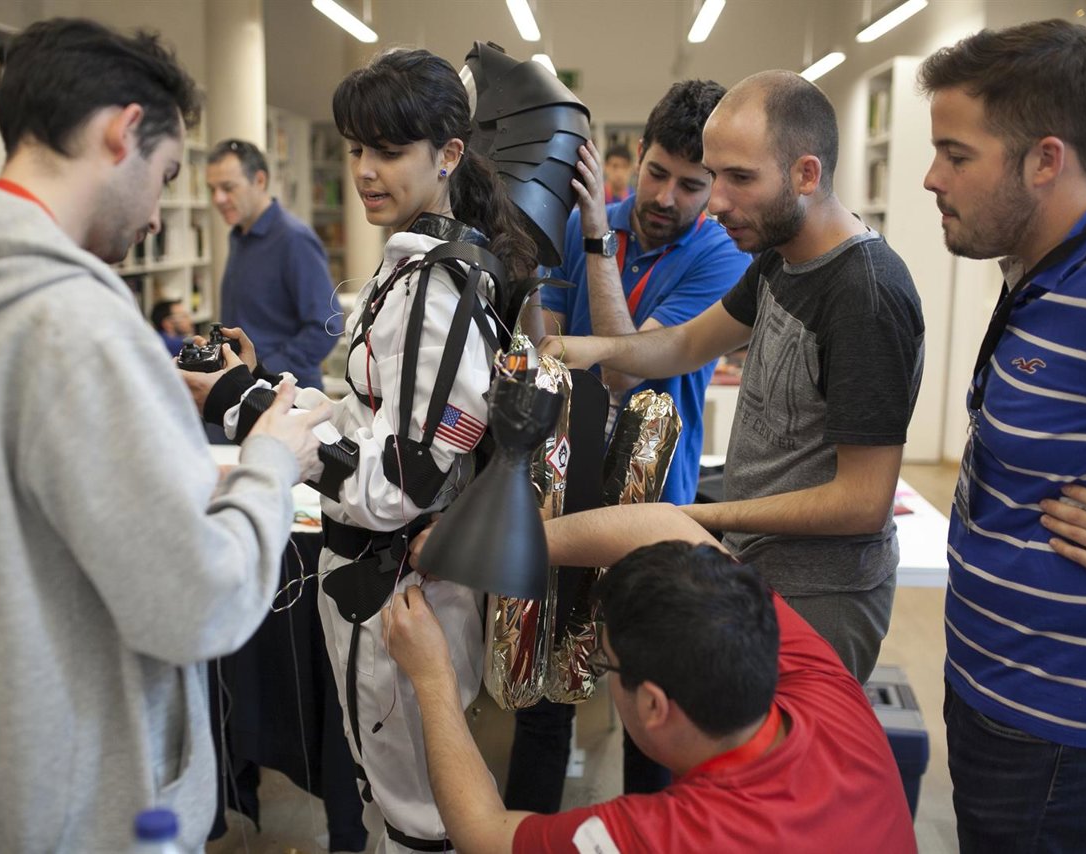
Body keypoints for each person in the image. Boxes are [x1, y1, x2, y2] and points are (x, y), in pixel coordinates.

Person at [0, 18, 327, 852]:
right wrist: (269, 462)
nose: (160, 210)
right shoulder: (77, 325)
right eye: (169, 174)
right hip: (73, 801)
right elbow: (198, 600)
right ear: (123, 132)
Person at [545, 70, 925, 684]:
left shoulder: (865, 294)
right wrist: (583, 348)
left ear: (806, 174)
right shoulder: (780, 255)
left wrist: (697, 519)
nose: (716, 202)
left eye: (739, 179)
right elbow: (690, 342)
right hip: (752, 567)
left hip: (819, 598)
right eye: (715, 176)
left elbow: (863, 502)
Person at [918, 20, 1086, 852]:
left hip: (1063, 735)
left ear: (1045, 160)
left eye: (957, 154)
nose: (931, 176)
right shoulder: (1048, 272)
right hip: (994, 689)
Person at [385, 503, 917, 853]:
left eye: (607, 663)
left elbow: (483, 834)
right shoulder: (829, 693)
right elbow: (664, 525)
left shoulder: (665, 836)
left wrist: (432, 680)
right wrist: (487, 544)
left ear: (655, 705)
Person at [309, 48, 535, 853]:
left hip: (400, 590)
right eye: (357, 148)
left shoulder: (439, 286)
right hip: (382, 585)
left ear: (447, 155)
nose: (367, 170)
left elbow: (400, 483)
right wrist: (290, 409)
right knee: (390, 796)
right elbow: (374, 419)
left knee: (415, 816)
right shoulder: (413, 264)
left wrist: (280, 438)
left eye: (389, 150)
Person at [515, 79, 750, 809]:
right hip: (568, 490)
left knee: (658, 713)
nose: (667, 198)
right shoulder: (587, 218)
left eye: (692, 185)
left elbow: (620, 365)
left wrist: (592, 242)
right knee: (543, 699)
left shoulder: (723, 257)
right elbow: (548, 347)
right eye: (657, 173)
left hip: (658, 513)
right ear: (635, 155)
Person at [206, 138, 335, 390]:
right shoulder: (238, 235)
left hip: (284, 395)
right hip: (247, 389)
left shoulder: (294, 238)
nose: (218, 199)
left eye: (228, 187)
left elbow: (326, 325)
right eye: (212, 189)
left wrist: (262, 371)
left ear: (260, 181)